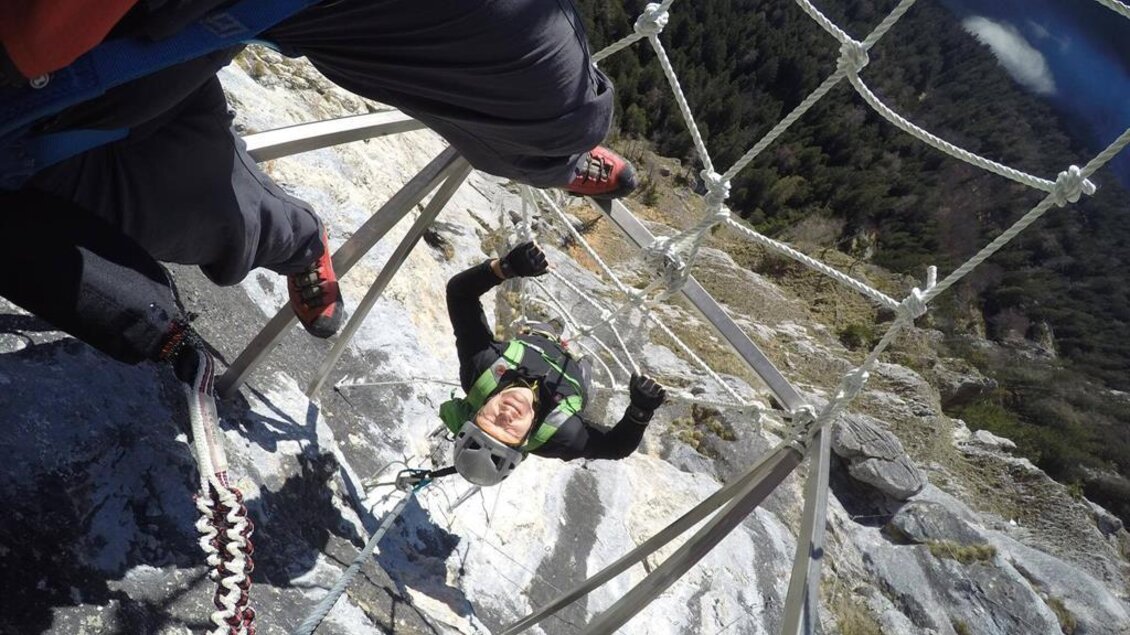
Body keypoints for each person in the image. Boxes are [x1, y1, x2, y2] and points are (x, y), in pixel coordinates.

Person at [0, 0, 638, 371]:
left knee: (556, 106)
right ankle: (301, 245)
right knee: (195, 206)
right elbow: (39, 41)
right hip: (88, 95)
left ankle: (559, 156)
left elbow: (39, 39)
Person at [442, 241, 666, 486]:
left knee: (544, 330)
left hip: (539, 342)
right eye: (507, 431)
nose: (505, 416)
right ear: (525, 440)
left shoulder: (482, 370)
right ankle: (578, 365)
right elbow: (616, 447)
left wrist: (505, 268)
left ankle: (552, 332)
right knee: (585, 374)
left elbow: (459, 294)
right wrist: (640, 412)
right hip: (573, 381)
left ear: (477, 410)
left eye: (491, 420)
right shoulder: (562, 436)